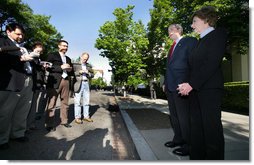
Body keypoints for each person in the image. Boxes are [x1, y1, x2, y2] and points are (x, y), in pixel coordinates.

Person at [177, 6, 227, 160]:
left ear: (206, 20)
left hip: (210, 90)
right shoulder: (200, 41)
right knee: (196, 129)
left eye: (194, 21)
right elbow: (193, 67)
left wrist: (191, 84)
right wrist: (185, 83)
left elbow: (211, 64)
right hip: (196, 91)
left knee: (211, 130)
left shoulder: (218, 35)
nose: (192, 26)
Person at [163, 24, 197, 156]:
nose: (169, 33)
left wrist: (190, 82)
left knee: (184, 117)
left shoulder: (189, 41)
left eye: (170, 30)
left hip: (182, 85)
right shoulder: (171, 48)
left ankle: (189, 145)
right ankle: (178, 139)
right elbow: (169, 68)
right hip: (170, 86)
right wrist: (165, 82)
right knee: (175, 116)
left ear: (178, 30)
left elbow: (194, 63)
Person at [0, 23, 34, 150]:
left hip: (27, 79)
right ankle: (2, 139)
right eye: (18, 33)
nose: (21, 36)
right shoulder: (3, 42)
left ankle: (18, 133)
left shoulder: (24, 47)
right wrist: (21, 58)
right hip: (11, 82)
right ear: (8, 32)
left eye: (22, 34)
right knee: (5, 112)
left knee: (22, 109)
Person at [45, 40, 75, 131]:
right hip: (55, 81)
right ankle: (49, 124)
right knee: (52, 103)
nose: (65, 48)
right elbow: (47, 66)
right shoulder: (52, 55)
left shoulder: (69, 59)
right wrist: (60, 67)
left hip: (66, 81)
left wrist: (70, 70)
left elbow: (72, 72)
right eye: (64, 46)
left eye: (67, 46)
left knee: (65, 102)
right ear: (59, 46)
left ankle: (64, 121)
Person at [26, 42, 47, 131]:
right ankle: (25, 125)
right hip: (31, 83)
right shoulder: (30, 55)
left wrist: (43, 66)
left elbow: (40, 72)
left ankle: (30, 124)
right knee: (27, 105)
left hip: (37, 84)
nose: (40, 52)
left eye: (41, 51)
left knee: (33, 105)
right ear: (34, 47)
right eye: (38, 49)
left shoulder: (38, 59)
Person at [73, 52, 94, 124]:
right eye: (84, 58)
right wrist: (79, 72)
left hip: (86, 84)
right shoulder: (75, 64)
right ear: (81, 57)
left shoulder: (89, 66)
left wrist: (89, 73)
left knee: (86, 101)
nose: (85, 60)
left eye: (87, 59)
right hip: (78, 83)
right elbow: (71, 74)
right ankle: (77, 117)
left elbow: (92, 75)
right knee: (77, 101)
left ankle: (86, 116)